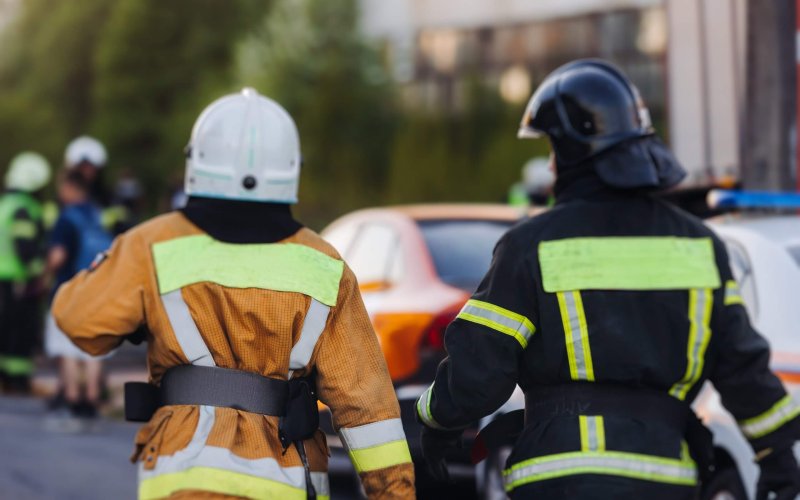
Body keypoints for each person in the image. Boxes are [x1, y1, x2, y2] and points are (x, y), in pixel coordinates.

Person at [416, 59, 800, 499]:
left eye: (552, 149)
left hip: (558, 480)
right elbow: (742, 367)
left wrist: (436, 420)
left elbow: (478, 371)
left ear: (573, 153)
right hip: (664, 480)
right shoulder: (699, 244)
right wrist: (777, 457)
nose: (551, 164)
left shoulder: (530, 246)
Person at [52, 88, 415, 499]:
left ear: (197, 162)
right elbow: (369, 412)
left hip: (183, 482)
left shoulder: (152, 245)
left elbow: (76, 318)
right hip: (289, 482)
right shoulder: (325, 266)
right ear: (291, 170)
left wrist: (137, 313)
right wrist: (394, 492)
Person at [44, 170, 113, 421]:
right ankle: (92, 398)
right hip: (98, 290)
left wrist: (44, 275)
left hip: (69, 290)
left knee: (67, 348)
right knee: (92, 350)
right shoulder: (99, 215)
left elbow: (57, 257)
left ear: (71, 187)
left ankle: (73, 399)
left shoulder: (67, 218)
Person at [0, 152, 51, 393]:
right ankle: (17, 380)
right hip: (19, 280)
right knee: (20, 331)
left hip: (4, 279)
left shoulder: (5, 204)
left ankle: (6, 378)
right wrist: (39, 273)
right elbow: (25, 247)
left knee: (5, 328)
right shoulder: (24, 208)